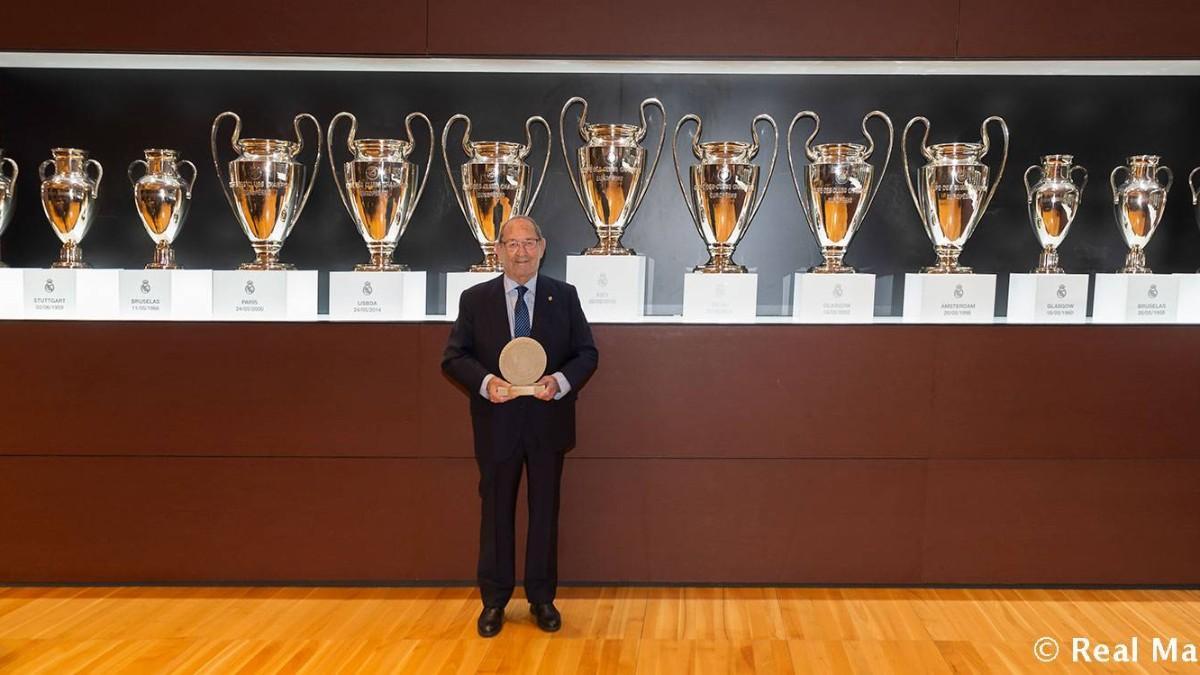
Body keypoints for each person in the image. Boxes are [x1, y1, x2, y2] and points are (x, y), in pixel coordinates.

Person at [441, 215, 599, 638]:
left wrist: (559, 382)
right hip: (497, 426)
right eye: (513, 244)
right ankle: (494, 602)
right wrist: (488, 383)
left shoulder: (564, 297)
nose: (522, 251)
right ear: (499, 251)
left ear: (543, 247)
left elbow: (586, 353)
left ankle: (542, 598)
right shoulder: (475, 300)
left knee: (545, 512)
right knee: (495, 513)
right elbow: (454, 357)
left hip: (548, 425)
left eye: (529, 242)